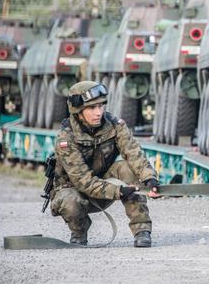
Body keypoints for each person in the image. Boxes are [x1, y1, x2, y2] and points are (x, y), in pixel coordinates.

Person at [50, 81, 160, 247]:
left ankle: (141, 229)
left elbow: (133, 153)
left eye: (101, 106)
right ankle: (79, 231)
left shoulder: (115, 125)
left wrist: (149, 179)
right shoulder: (66, 138)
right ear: (78, 111)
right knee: (70, 201)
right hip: (75, 191)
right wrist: (118, 191)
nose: (98, 112)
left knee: (128, 168)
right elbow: (83, 182)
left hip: (105, 184)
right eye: (92, 108)